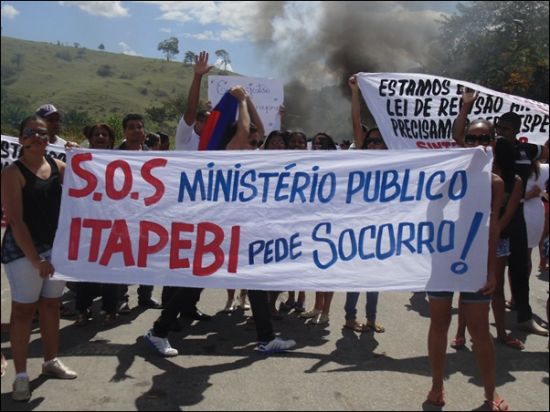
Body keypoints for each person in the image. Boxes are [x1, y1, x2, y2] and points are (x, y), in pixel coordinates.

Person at [426, 121, 508, 410]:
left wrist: (491, 272)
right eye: (472, 137)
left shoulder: (495, 183)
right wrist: (464, 107)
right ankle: (436, 387)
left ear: (493, 142)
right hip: (444, 261)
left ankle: (490, 393)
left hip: (474, 265)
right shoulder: (446, 176)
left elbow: (492, 229)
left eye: (484, 137)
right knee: (439, 324)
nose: (477, 142)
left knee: (479, 329)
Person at [453, 90, 549, 337]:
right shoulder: (481, 150)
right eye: (500, 127)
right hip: (488, 219)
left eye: (507, 127)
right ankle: (470, 328)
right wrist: (466, 107)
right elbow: (458, 137)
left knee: (519, 266)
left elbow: (545, 152)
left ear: (516, 129)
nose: (502, 130)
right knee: (484, 273)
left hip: (514, 217)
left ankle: (524, 316)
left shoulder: (528, 151)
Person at [1, 115, 77, 402]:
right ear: (21, 139)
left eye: (43, 134)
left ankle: (50, 361)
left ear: (49, 139)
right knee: (23, 311)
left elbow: (91, 182)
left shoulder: (59, 167)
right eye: (31, 133)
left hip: (55, 250)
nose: (37, 137)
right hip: (24, 252)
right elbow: (16, 221)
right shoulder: (12, 173)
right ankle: (21, 376)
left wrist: (78, 156)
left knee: (50, 306)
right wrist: (36, 260)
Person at [342, 75, 385, 333]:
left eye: (380, 141)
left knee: (375, 277)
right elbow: (356, 123)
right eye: (372, 141)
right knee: (356, 275)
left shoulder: (395, 162)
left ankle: (370, 319)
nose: (376, 145)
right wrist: (356, 93)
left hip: (382, 227)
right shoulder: (364, 159)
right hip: (359, 225)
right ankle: (350, 318)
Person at [73, 124, 119, 326]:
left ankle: (110, 310)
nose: (101, 136)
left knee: (111, 272)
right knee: (86, 272)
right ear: (90, 138)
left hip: (114, 226)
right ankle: (83, 310)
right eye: (96, 134)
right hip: (87, 226)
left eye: (105, 134)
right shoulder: (80, 161)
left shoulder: (122, 162)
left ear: (111, 140)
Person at [116, 114, 162, 310]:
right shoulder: (111, 156)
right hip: (121, 214)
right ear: (124, 131)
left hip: (147, 213)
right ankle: (121, 298)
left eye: (139, 127)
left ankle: (146, 296)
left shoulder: (154, 157)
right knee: (121, 257)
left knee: (148, 256)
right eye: (131, 127)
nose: (136, 130)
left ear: (144, 132)